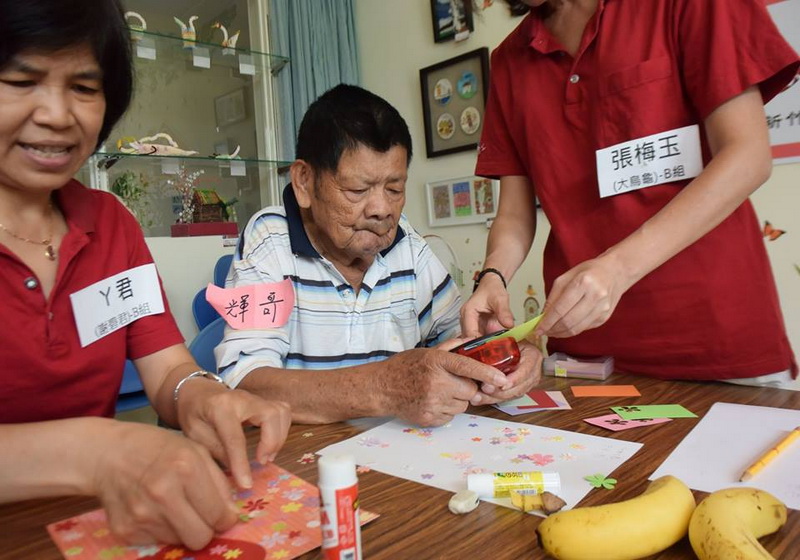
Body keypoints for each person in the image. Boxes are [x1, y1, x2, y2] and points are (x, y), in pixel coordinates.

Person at [0, 0, 290, 550]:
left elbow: (166, 371)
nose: (59, 114)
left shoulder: (110, 225)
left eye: (84, 87)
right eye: (22, 79)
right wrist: (100, 451)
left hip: (99, 525)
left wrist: (202, 395)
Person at [462, 0, 799, 386]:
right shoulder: (510, 60)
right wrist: (492, 277)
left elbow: (748, 156)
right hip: (586, 354)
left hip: (717, 339)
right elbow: (514, 215)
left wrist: (617, 268)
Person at [215, 84, 542, 426]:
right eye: (358, 190)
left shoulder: (408, 248)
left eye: (394, 189)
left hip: (394, 459)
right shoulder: (270, 238)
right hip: (303, 458)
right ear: (304, 181)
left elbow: (461, 346)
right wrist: (388, 387)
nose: (382, 210)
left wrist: (515, 354)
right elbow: (245, 384)